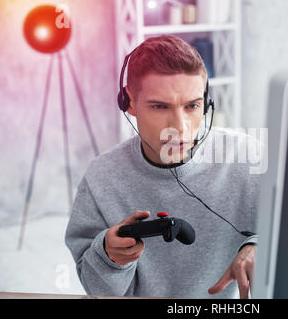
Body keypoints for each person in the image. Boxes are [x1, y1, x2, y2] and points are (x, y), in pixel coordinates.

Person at [65, 35, 262, 298]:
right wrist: (109, 258)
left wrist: (258, 246)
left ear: (207, 104)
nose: (179, 127)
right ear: (129, 103)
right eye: (159, 106)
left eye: (192, 106)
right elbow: (96, 289)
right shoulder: (101, 178)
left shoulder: (249, 157)